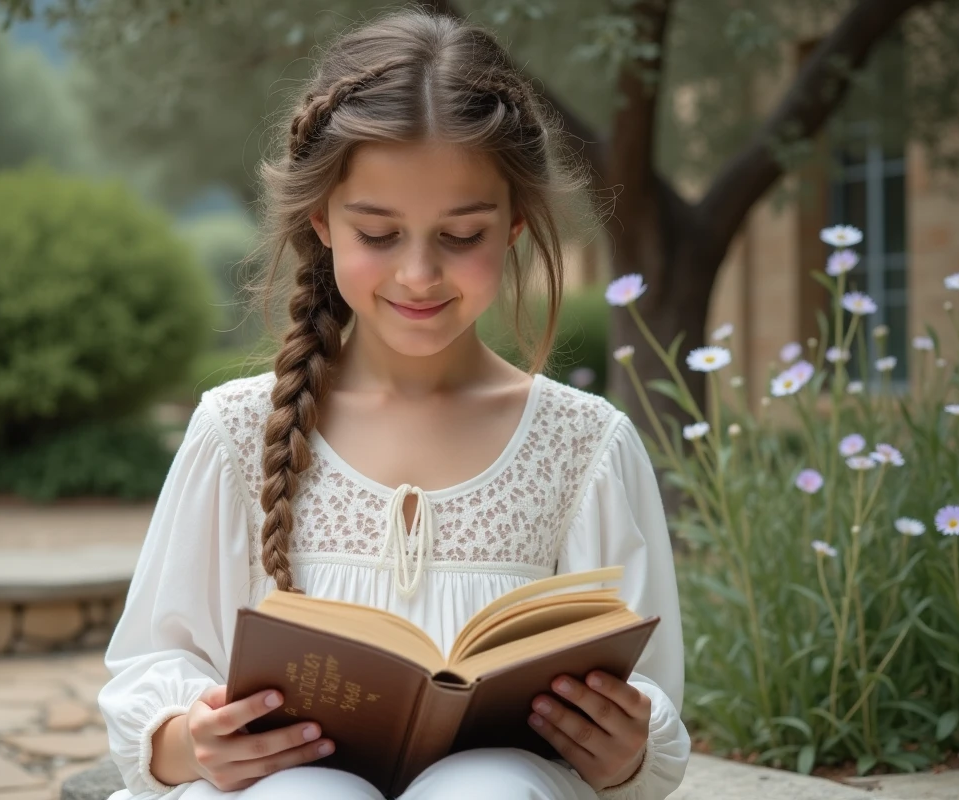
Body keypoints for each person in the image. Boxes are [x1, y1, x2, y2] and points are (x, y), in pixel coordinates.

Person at [98, 7, 689, 800]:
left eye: (460, 236)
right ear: (323, 223)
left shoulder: (583, 448)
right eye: (379, 234)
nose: (418, 274)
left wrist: (626, 752)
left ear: (513, 226)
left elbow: (645, 695)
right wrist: (189, 743)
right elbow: (155, 667)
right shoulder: (236, 433)